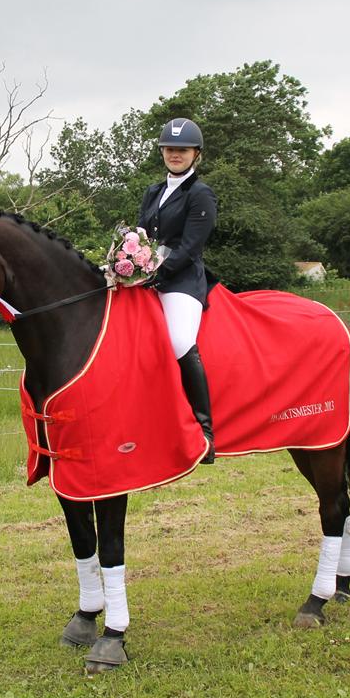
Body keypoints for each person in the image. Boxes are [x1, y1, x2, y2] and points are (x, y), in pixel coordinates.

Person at [138, 117, 217, 464]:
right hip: (147, 279)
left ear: (195, 154)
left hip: (181, 280)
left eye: (182, 150)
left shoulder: (200, 194)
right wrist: (126, 263)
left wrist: (155, 271)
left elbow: (189, 248)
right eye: (170, 149)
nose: (175, 154)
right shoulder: (153, 191)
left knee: (179, 341)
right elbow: (140, 236)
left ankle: (205, 430)